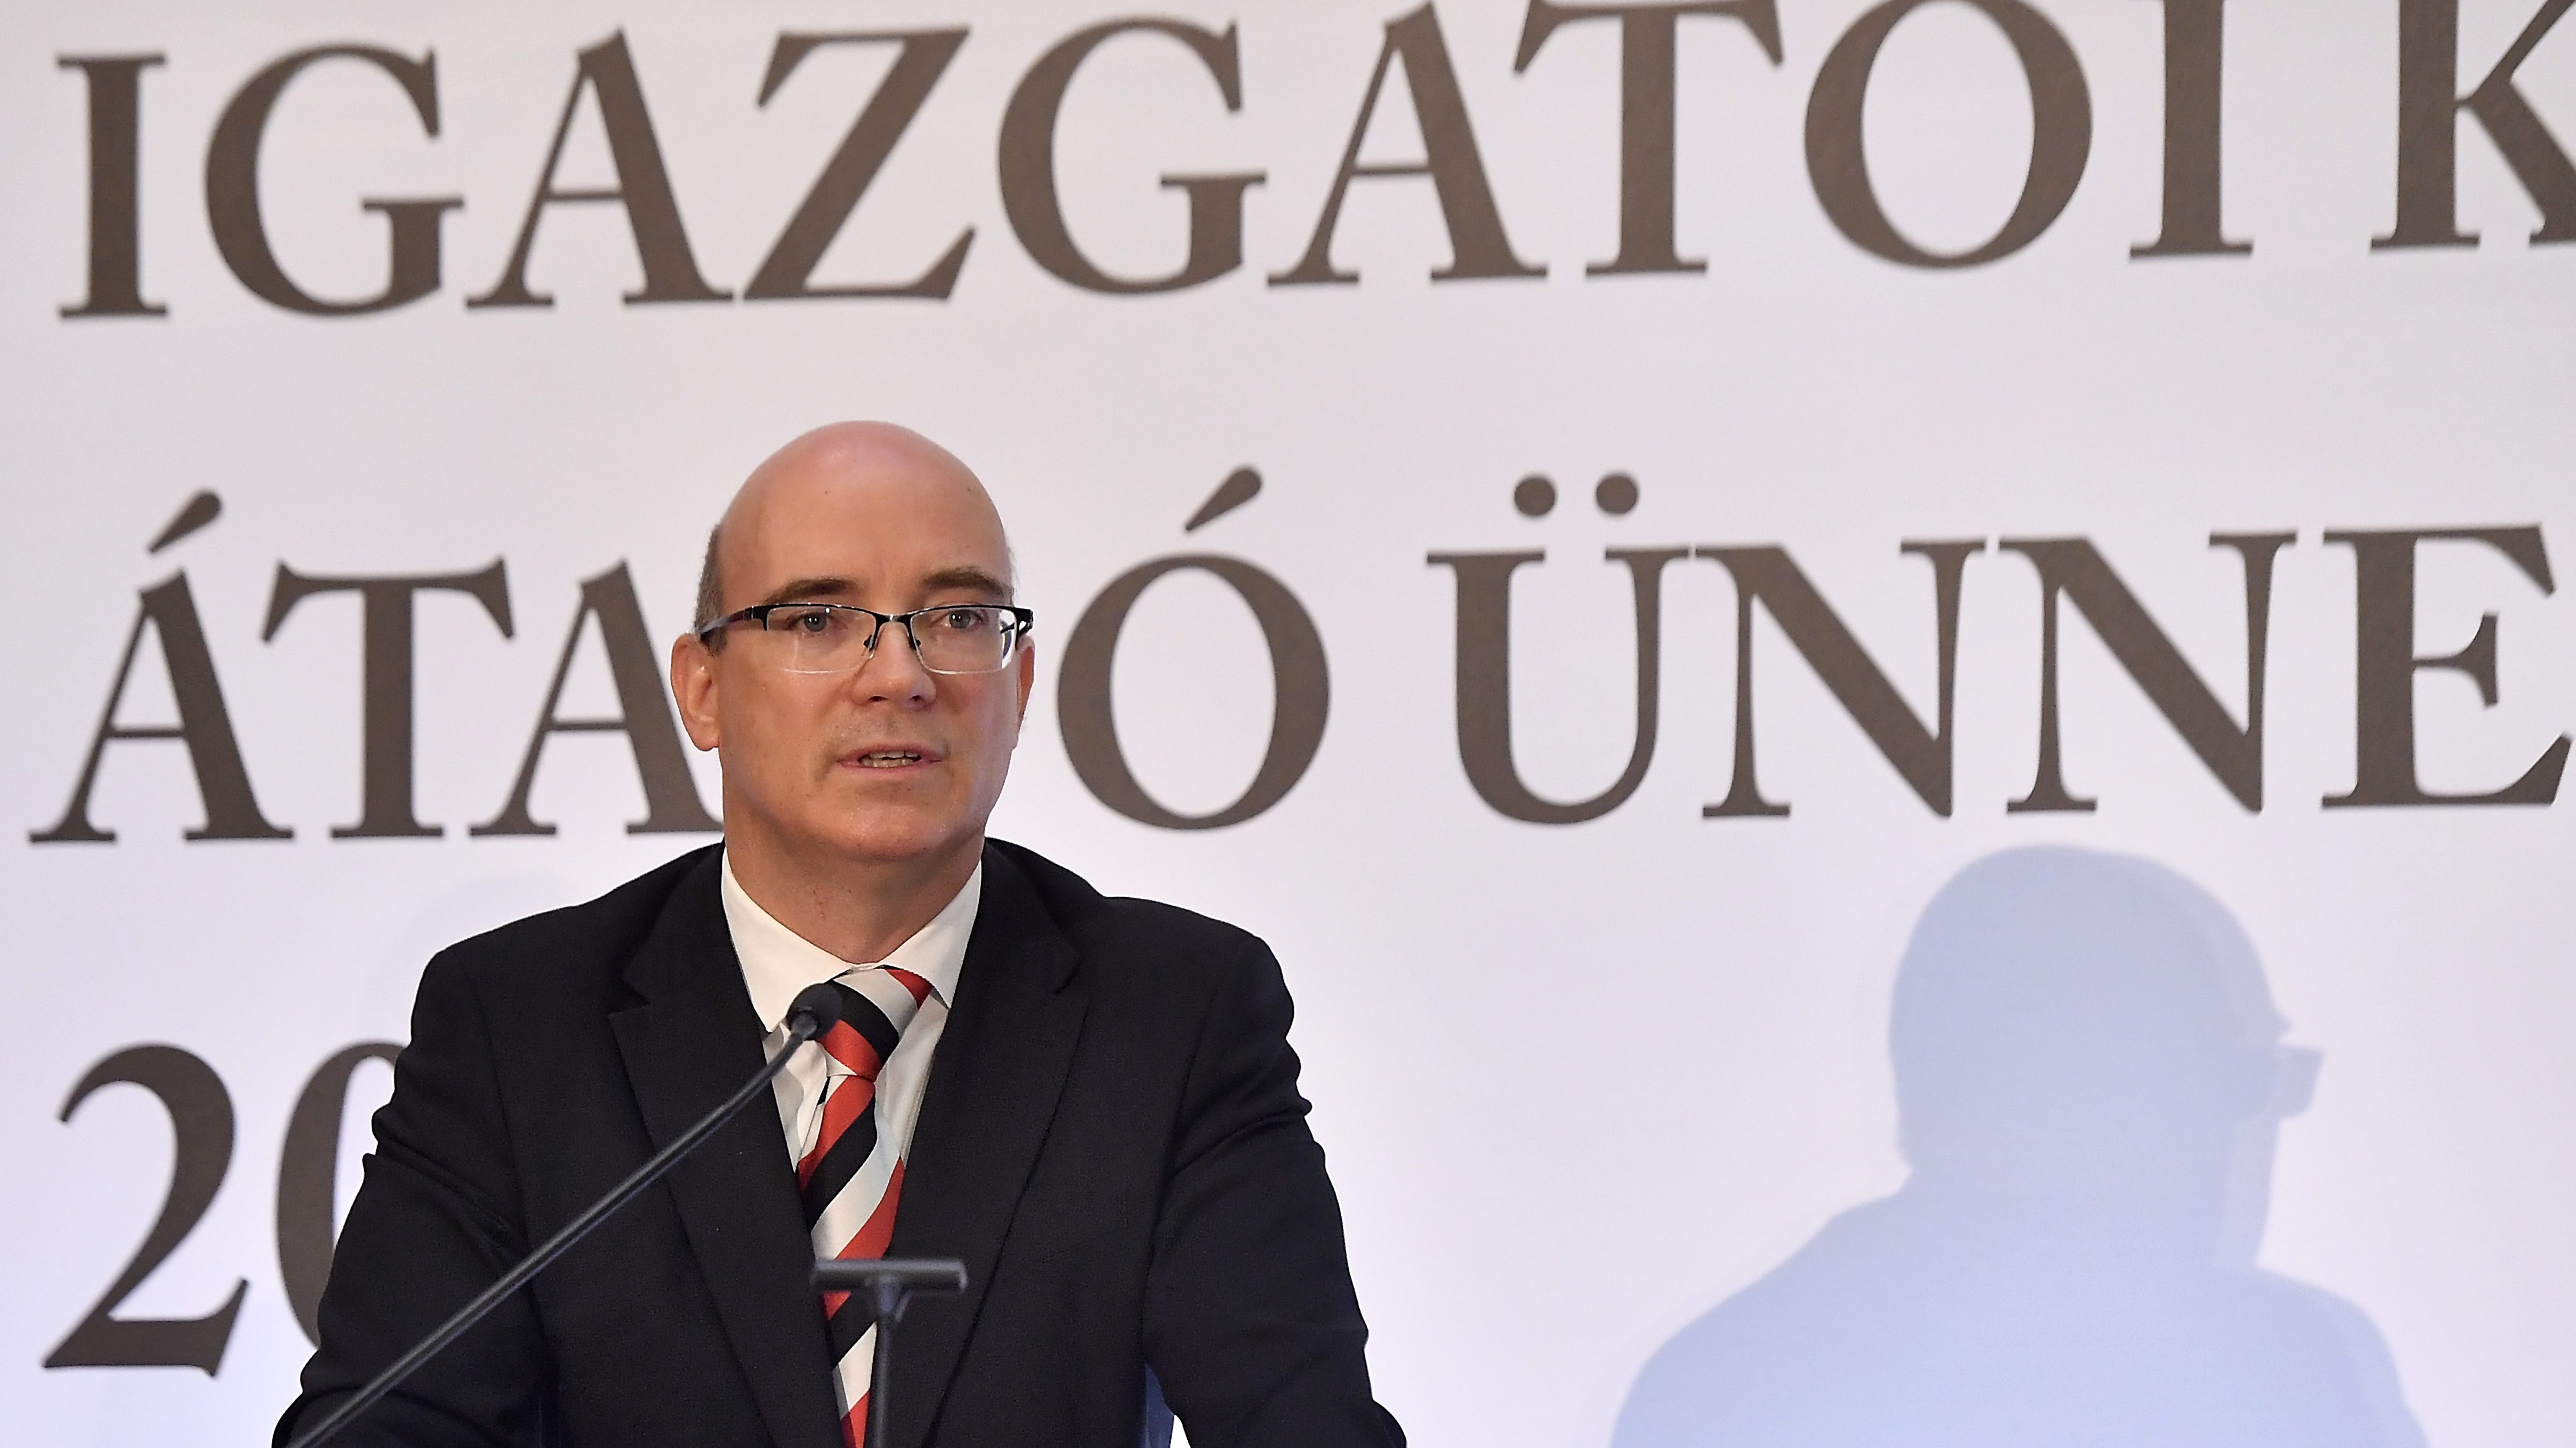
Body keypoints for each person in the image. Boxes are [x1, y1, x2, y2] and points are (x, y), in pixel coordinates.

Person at [277, 423, 1404, 1448]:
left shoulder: (1173, 1019)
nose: (900, 676)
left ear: (1018, 683)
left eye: (957, 619)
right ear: (702, 689)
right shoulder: (520, 1030)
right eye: (818, 620)